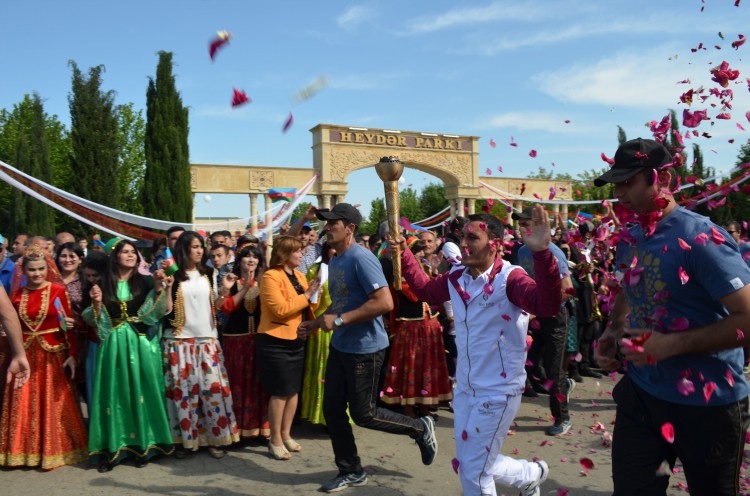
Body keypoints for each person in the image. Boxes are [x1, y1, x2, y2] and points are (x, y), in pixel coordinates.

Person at [594, 138, 750, 495]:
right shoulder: (630, 237)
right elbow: (627, 286)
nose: (619, 193)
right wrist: (613, 330)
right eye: (616, 184)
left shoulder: (702, 239)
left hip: (708, 406)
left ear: (659, 178)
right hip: (643, 396)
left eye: (627, 182)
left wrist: (669, 345)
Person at [388, 207, 562, 496]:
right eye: (462, 236)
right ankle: (529, 475)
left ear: (494, 243)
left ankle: (530, 475)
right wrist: (404, 253)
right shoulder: (457, 277)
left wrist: (543, 254)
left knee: (473, 469)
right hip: (466, 390)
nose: (464, 243)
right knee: (472, 462)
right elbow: (426, 291)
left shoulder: (511, 279)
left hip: (498, 391)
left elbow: (547, 306)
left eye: (473, 237)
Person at [297, 203, 438, 493]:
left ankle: (421, 428)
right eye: (325, 223)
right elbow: (342, 302)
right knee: (333, 410)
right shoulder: (335, 259)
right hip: (341, 346)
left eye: (332, 223)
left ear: (349, 228)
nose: (326, 228)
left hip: (366, 349)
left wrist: (339, 320)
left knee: (364, 414)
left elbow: (384, 303)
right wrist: (316, 323)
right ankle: (350, 470)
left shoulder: (362, 259)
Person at [83, 239, 173, 472]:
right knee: (115, 394)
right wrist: (96, 303)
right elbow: (94, 319)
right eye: (125, 252)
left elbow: (155, 315)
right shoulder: (102, 283)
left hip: (140, 344)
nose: (130, 255)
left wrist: (160, 289)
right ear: (116, 256)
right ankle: (113, 449)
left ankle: (144, 446)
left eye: (133, 252)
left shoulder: (144, 281)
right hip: (113, 345)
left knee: (141, 392)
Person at [0, 244, 88, 470]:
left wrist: (72, 355)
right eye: (32, 270)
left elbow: (68, 326)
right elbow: (12, 325)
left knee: (52, 403)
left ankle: (54, 450)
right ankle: (23, 451)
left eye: (41, 269)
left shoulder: (58, 291)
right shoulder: (17, 295)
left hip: (53, 355)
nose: (37, 274)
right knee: (24, 401)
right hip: (26, 354)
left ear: (47, 268)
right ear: (24, 271)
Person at [162, 231, 239, 459]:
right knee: (185, 396)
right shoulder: (173, 275)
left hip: (207, 341)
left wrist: (224, 290)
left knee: (211, 392)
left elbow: (215, 307)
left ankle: (214, 440)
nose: (199, 251)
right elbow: (165, 311)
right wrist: (166, 287)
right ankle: (186, 442)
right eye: (194, 246)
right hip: (180, 342)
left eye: (200, 246)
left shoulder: (209, 274)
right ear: (183, 249)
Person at [513, 205, 576, 436]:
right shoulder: (521, 252)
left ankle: (563, 417)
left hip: (556, 317)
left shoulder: (553, 252)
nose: (522, 229)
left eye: (526, 224)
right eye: (520, 225)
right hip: (535, 316)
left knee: (553, 371)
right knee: (532, 364)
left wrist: (538, 308)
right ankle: (564, 384)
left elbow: (567, 290)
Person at [257, 236, 320, 460]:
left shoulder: (301, 275)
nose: (302, 254)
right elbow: (280, 309)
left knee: (293, 390)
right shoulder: (270, 276)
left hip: (297, 338)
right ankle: (274, 439)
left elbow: (309, 304)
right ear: (285, 253)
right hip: (275, 340)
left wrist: (315, 294)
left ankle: (286, 434)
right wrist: (307, 295)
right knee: (280, 391)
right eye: (298, 251)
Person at [381, 239, 452, 417]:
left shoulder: (424, 268)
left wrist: (432, 272)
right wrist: (427, 275)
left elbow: (434, 294)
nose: (422, 253)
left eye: (422, 250)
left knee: (428, 367)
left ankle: (425, 406)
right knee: (411, 366)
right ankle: (408, 407)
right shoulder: (401, 273)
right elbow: (415, 295)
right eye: (418, 250)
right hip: (411, 327)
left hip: (429, 326)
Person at [217, 244, 270, 439]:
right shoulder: (231, 281)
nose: (251, 259)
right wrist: (242, 288)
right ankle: (236, 429)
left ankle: (261, 429)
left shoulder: (265, 282)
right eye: (246, 256)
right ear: (239, 260)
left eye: (255, 256)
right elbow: (225, 308)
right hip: (236, 342)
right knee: (237, 384)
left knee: (258, 385)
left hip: (258, 340)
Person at [300, 242, 335, 425]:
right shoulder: (315, 270)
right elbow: (308, 303)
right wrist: (316, 292)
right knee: (322, 372)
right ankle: (320, 416)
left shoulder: (345, 267)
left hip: (340, 327)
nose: (336, 251)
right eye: (332, 248)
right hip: (320, 328)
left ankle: (336, 416)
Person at [55, 242, 87, 388]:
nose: (67, 260)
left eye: (72, 256)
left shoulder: (85, 282)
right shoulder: (51, 280)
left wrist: (77, 323)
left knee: (85, 386)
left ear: (80, 259)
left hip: (82, 339)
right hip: (56, 339)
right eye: (63, 256)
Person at [80, 250, 108, 406]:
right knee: (95, 387)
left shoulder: (114, 289)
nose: (91, 280)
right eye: (88, 276)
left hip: (112, 344)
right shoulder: (88, 290)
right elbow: (90, 320)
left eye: (95, 276)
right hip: (94, 345)